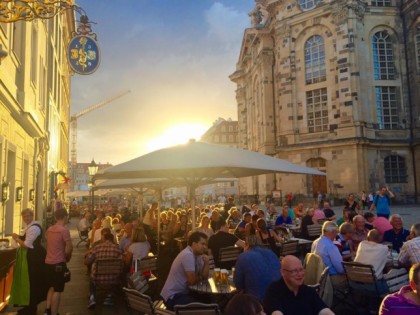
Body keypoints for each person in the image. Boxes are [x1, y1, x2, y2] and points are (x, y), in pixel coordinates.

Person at [264, 255, 334, 315]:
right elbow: (276, 313)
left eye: (301, 270)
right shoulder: (274, 291)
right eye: (294, 271)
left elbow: (323, 310)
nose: (300, 274)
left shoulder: (307, 291)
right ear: (283, 272)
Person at [10, 208, 47, 315]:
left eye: (28, 216)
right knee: (29, 281)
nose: (26, 218)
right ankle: (29, 306)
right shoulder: (30, 227)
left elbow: (27, 245)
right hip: (31, 257)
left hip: (35, 258)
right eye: (24, 216)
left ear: (32, 216)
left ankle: (31, 307)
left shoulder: (34, 228)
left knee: (32, 281)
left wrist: (17, 239)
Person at [160, 231, 210, 310]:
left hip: (183, 293)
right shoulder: (187, 255)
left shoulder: (198, 255)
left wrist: (207, 263)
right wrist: (200, 277)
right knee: (201, 308)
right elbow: (192, 280)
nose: (205, 247)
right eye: (202, 244)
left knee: (208, 300)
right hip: (172, 296)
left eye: (206, 245)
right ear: (194, 244)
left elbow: (204, 276)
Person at [44, 208, 73, 315]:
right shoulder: (64, 230)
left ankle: (47, 310)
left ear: (55, 217)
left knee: (51, 286)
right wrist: (66, 257)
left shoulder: (49, 229)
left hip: (48, 262)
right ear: (65, 216)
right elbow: (68, 247)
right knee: (58, 289)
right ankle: (54, 312)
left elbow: (48, 245)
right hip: (58, 262)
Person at [234, 235, 281, 300]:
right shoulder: (271, 253)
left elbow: (238, 285)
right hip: (278, 296)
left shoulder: (243, 256)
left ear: (246, 245)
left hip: (256, 300)